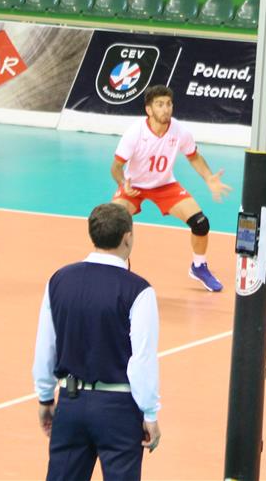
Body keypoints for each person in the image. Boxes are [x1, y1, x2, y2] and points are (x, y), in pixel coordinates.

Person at [33, 202, 161, 481]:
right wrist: (150, 413)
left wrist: (45, 397)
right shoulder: (139, 290)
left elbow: (46, 346)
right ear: (127, 237)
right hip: (118, 410)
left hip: (70, 402)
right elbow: (142, 359)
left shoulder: (58, 280)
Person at [110, 85, 232, 292]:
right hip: (134, 187)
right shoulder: (134, 133)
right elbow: (116, 167)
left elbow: (194, 157)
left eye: (168, 104)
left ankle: (199, 266)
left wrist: (208, 178)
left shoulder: (180, 131)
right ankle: (114, 268)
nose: (165, 109)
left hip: (165, 185)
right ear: (149, 110)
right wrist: (123, 183)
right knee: (113, 222)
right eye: (159, 105)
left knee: (201, 223)